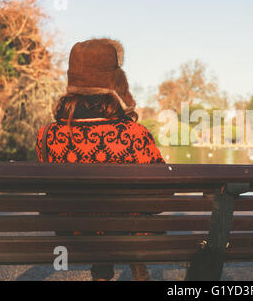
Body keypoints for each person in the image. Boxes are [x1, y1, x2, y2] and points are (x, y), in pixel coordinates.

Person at [36, 38, 165, 281]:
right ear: (116, 82)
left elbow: (49, 189)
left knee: (95, 211)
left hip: (73, 232)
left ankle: (102, 272)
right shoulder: (134, 134)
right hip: (125, 230)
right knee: (128, 213)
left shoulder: (47, 135)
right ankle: (138, 268)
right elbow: (161, 196)